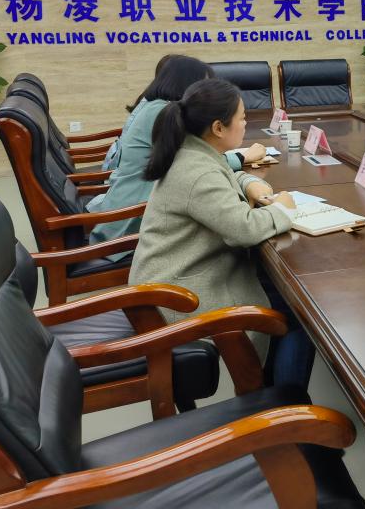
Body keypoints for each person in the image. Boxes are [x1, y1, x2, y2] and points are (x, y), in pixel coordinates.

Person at [129, 77, 314, 389]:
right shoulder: (197, 171)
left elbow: (224, 175)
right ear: (218, 128)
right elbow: (244, 229)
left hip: (176, 278)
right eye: (242, 118)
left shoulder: (194, 152)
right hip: (178, 296)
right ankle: (279, 401)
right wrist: (283, 209)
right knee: (300, 316)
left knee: (281, 293)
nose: (246, 124)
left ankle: (270, 383)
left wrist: (249, 182)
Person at [88, 56, 266, 252]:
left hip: (129, 204)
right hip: (130, 223)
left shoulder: (151, 104)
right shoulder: (161, 113)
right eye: (202, 85)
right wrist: (242, 158)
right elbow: (197, 161)